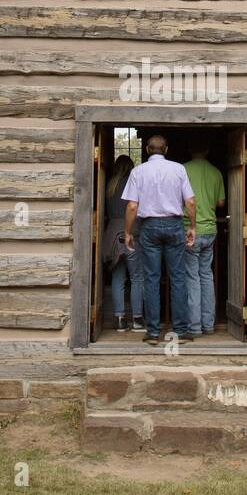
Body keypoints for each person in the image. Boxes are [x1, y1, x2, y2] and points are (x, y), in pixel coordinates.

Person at [122, 135, 196, 344]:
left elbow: (132, 206)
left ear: (147, 149)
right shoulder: (178, 169)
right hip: (174, 225)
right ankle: (180, 331)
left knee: (152, 279)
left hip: (149, 227)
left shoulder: (138, 171)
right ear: (166, 149)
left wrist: (127, 232)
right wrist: (192, 227)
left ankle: (153, 333)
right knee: (178, 278)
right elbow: (190, 202)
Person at [183, 140, 225, 337]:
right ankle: (209, 324)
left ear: (190, 150)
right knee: (206, 276)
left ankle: (194, 326)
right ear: (207, 150)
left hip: (190, 230)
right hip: (210, 230)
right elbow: (221, 201)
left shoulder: (183, 169)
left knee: (192, 277)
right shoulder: (216, 172)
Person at [103, 154, 143, 332]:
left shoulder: (109, 184)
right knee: (136, 278)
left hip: (112, 234)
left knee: (118, 278)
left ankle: (119, 319)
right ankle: (137, 320)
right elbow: (134, 208)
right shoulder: (134, 183)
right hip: (132, 231)